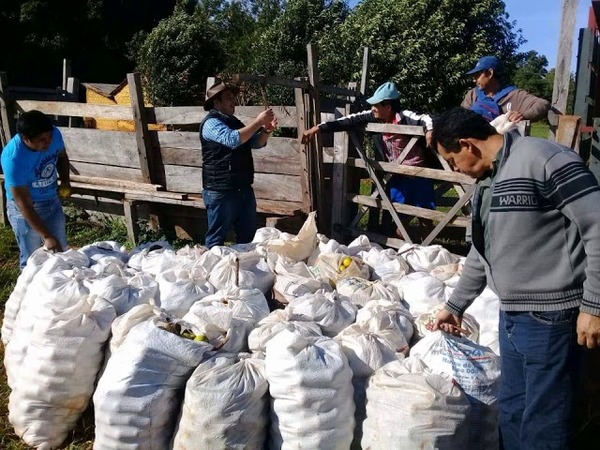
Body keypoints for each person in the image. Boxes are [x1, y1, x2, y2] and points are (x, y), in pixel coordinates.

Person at [430, 107, 600, 450]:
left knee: (545, 421)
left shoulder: (545, 159)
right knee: (512, 412)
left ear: (467, 145)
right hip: (513, 317)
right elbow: (483, 251)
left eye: (451, 160)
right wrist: (455, 304)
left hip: (553, 318)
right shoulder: (488, 182)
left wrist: (594, 304)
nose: (455, 170)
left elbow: (597, 226)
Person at [301, 81, 435, 240]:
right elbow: (349, 120)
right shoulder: (376, 117)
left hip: (419, 175)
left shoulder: (405, 117)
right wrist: (319, 128)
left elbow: (426, 119)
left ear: (388, 107)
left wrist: (429, 132)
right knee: (400, 220)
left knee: (426, 218)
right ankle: (406, 252)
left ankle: (429, 250)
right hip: (399, 178)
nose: (373, 109)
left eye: (376, 105)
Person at [200, 78, 277, 248]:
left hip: (242, 188)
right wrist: (258, 122)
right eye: (228, 97)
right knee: (216, 240)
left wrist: (266, 130)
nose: (233, 101)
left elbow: (254, 143)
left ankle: (242, 271)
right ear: (216, 101)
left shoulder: (234, 122)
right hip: (220, 190)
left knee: (248, 238)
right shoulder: (211, 123)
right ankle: (212, 272)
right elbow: (232, 139)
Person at [1, 110, 71, 269]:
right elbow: (23, 203)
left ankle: (59, 289)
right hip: (25, 210)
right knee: (31, 259)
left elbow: (62, 156)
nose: (48, 142)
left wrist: (65, 182)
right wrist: (46, 235)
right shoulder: (14, 159)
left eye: (50, 137)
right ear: (26, 139)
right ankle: (28, 291)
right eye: (42, 140)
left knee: (61, 253)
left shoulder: (54, 134)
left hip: (51, 200)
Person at [461, 55, 550, 123]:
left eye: (477, 75)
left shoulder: (515, 95)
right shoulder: (473, 94)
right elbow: (461, 117)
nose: (474, 80)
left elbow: (543, 104)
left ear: (489, 73)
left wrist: (523, 116)